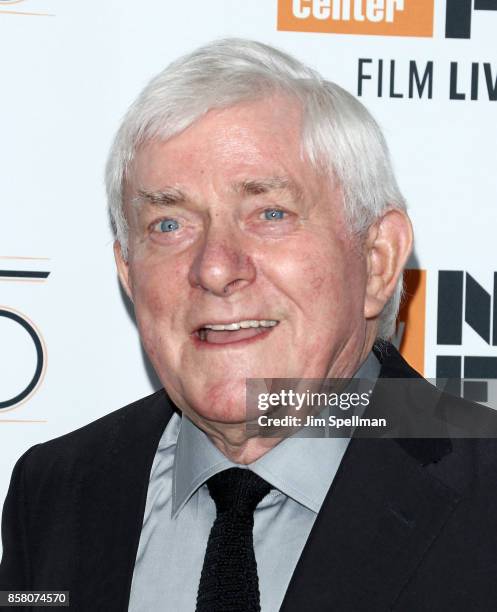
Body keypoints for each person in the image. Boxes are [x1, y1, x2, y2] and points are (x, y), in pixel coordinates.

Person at [1, 38, 497, 612]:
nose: (214, 267)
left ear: (378, 260)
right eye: (168, 225)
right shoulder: (56, 490)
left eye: (270, 214)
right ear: (128, 272)